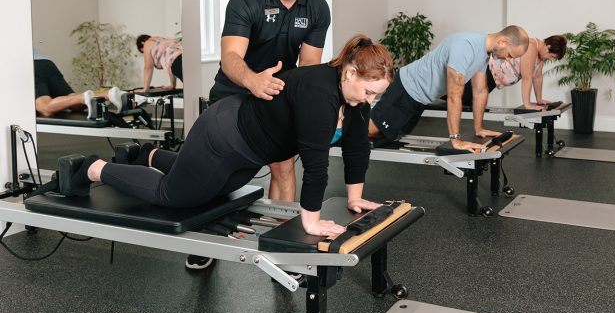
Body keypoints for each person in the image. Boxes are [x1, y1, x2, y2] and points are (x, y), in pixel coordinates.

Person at [68, 35, 393, 240]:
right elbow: (316, 163)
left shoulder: (355, 99)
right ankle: (93, 167)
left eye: (375, 95)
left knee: (216, 192)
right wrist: (311, 223)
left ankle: (149, 155)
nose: (369, 100)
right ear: (350, 73)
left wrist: (354, 197)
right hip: (224, 135)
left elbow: (355, 146)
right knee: (174, 196)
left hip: (248, 152)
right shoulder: (320, 93)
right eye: (369, 92)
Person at [209, 0, 330, 207]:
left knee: (284, 168)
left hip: (277, 93)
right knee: (222, 171)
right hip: (234, 90)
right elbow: (229, 57)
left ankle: (279, 237)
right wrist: (253, 81)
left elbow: (309, 66)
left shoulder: (317, 8)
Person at [369, 26, 530, 153]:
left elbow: (480, 91)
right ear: (503, 42)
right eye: (510, 55)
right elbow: (454, 95)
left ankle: (348, 125)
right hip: (407, 88)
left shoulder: (483, 53)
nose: (508, 60)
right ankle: (343, 125)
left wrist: (479, 128)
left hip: (420, 98)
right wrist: (455, 139)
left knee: (391, 135)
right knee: (373, 130)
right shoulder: (465, 47)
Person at [460, 34, 567, 110]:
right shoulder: (531, 47)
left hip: (493, 80)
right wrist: (527, 104)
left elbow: (537, 77)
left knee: (469, 101)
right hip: (488, 72)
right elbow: (527, 77)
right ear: (548, 47)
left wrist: (539, 99)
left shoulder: (541, 58)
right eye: (552, 56)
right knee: (460, 98)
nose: (551, 59)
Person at [33, 48, 124, 118]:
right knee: (73, 102)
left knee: (45, 107)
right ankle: (109, 94)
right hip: (46, 63)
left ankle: (83, 97)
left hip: (31, 65)